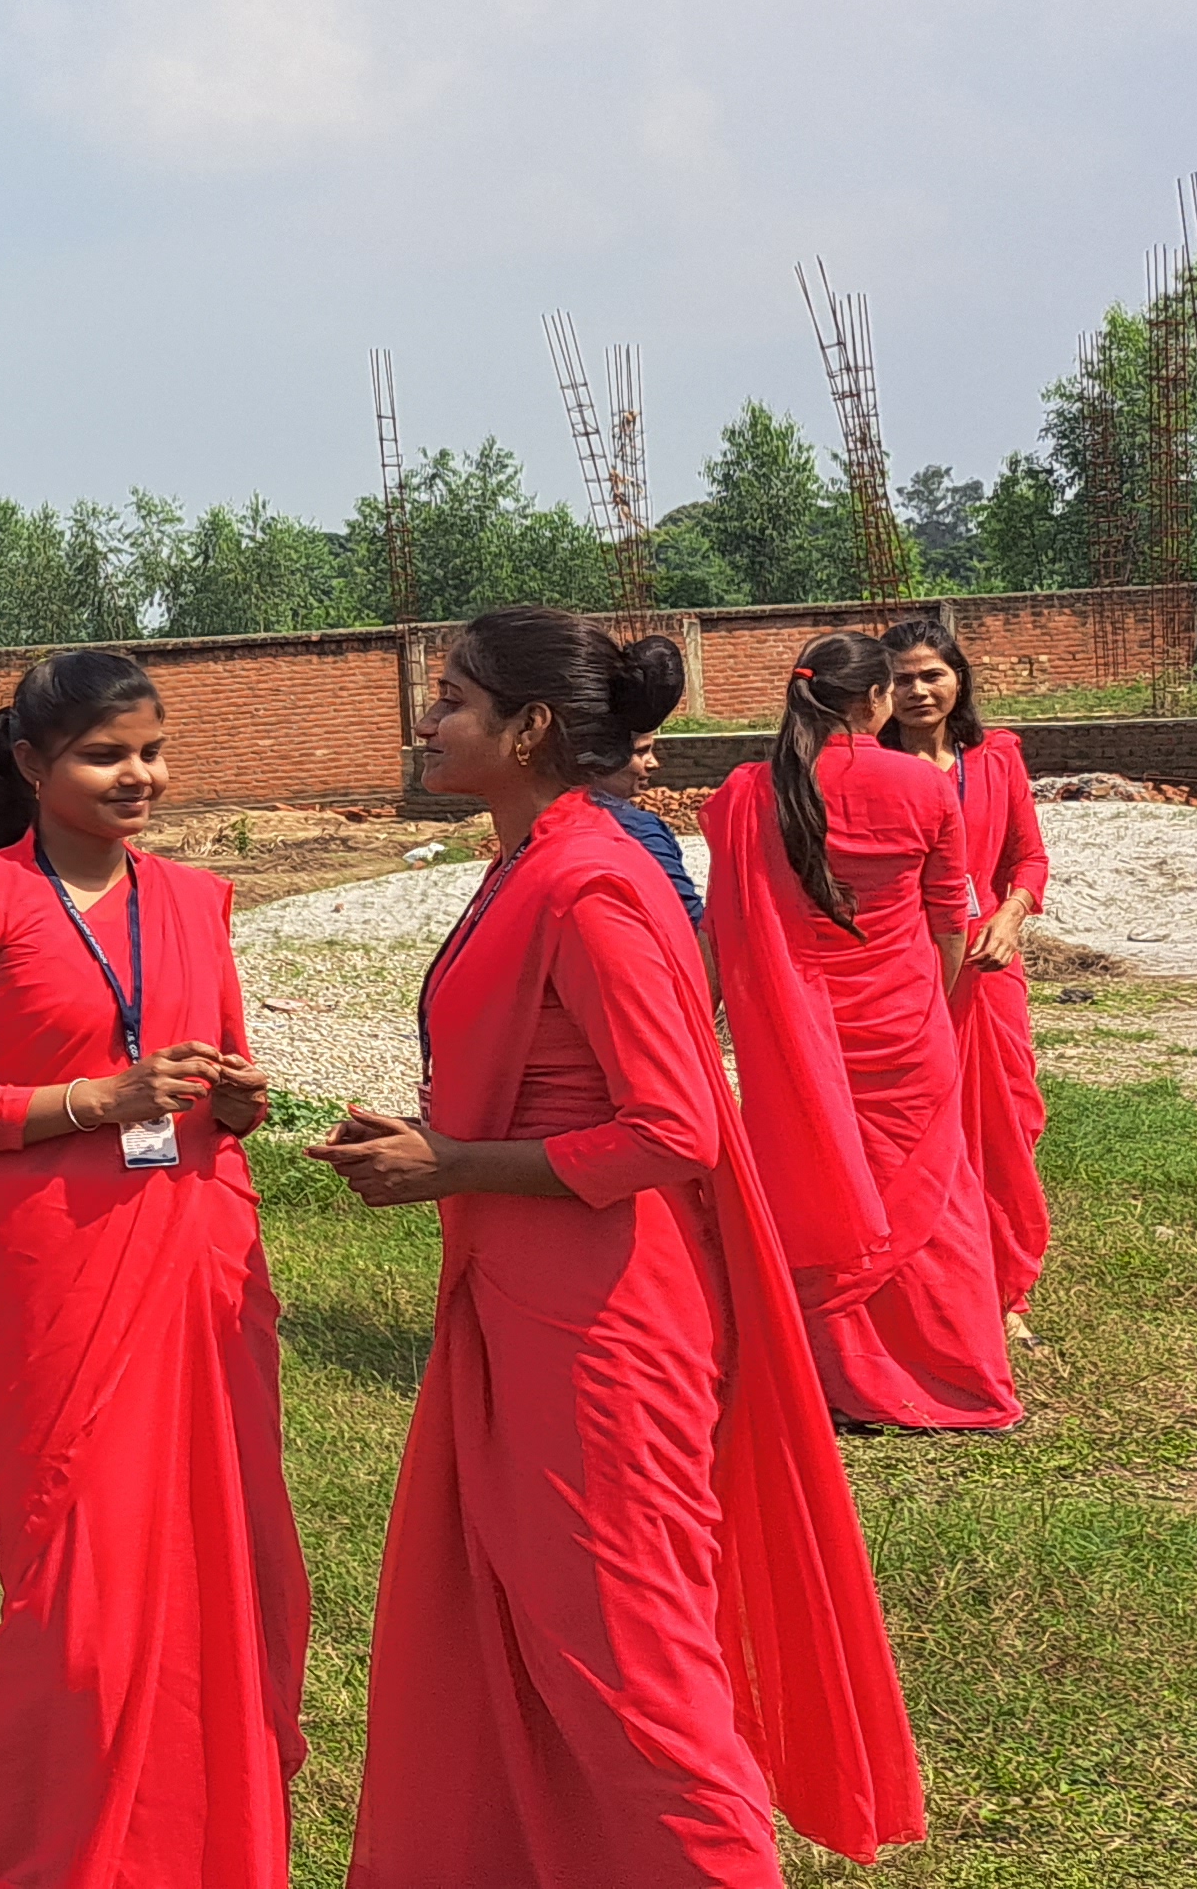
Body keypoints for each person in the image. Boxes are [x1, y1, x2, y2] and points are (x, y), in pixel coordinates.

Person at [311, 609, 920, 1883]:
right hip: (528, 1289)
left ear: (529, 726)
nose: (426, 720)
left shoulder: (587, 879)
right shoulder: (528, 858)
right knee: (533, 1633)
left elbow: (671, 1125)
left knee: (631, 1668)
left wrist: (452, 1162)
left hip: (601, 1325)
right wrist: (436, 1140)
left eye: (451, 699)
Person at [0, 649, 306, 1889]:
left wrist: (238, 1100)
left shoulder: (196, 898)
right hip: (56, 1258)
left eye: (152, 751)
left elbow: (226, 1076)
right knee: (77, 1577)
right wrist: (95, 1098)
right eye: (104, 755)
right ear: (30, 762)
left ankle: (191, 1832)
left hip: (198, 1244)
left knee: (222, 1547)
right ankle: (36, 1842)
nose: (139, 777)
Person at [704, 631, 1018, 1434]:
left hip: (795, 1035)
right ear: (875, 698)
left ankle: (830, 1379)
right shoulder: (920, 786)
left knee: (813, 1191)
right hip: (905, 1023)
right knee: (933, 1205)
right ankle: (960, 1380)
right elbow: (949, 919)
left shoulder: (750, 793)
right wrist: (929, 1004)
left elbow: (720, 928)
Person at [883, 619, 1053, 1344]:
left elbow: (1028, 858)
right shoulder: (870, 768)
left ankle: (1005, 1287)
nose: (918, 691)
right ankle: (930, 1284)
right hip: (906, 965)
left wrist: (1010, 917)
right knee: (922, 1124)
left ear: (960, 680)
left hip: (987, 966)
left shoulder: (995, 758)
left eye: (932, 675)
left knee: (1006, 1119)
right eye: (901, 679)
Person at [603, 727, 705, 923]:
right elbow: (685, 912)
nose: (653, 763)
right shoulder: (638, 829)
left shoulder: (550, 816)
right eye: (641, 751)